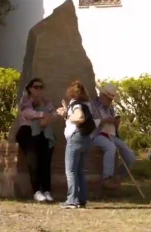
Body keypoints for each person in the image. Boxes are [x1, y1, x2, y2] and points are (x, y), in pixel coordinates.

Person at [14, 78, 57, 202]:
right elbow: (27, 113)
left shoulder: (46, 102)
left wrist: (48, 119)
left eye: (41, 87)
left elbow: (53, 113)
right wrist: (42, 115)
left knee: (46, 161)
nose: (38, 89)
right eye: (35, 87)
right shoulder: (26, 100)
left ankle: (46, 190)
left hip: (44, 132)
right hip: (28, 131)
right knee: (34, 160)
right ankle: (36, 190)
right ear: (29, 88)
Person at [90, 83, 136, 190]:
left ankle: (118, 177)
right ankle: (107, 178)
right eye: (108, 98)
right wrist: (103, 121)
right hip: (95, 135)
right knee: (110, 147)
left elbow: (113, 127)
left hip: (110, 135)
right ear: (102, 95)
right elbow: (88, 123)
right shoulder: (92, 105)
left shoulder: (110, 108)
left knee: (130, 156)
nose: (110, 101)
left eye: (111, 99)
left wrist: (115, 124)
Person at [59, 80, 96, 210]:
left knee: (71, 171)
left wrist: (66, 115)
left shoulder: (75, 104)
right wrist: (67, 113)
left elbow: (79, 118)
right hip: (86, 139)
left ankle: (72, 200)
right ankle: (81, 199)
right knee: (80, 171)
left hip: (75, 138)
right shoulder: (86, 104)